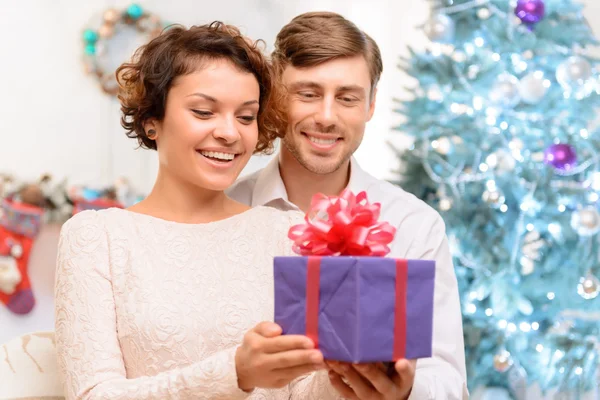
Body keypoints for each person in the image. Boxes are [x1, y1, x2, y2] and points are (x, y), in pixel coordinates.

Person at [54, 22, 340, 399]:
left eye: (245, 116)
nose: (230, 133)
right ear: (151, 121)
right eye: (204, 112)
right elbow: (92, 394)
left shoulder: (288, 233)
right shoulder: (97, 238)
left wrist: (364, 375)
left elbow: (305, 389)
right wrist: (235, 373)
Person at [228, 12, 469, 400]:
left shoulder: (414, 224)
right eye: (307, 93)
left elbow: (447, 380)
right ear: (274, 96)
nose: (326, 116)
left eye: (347, 98)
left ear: (370, 106)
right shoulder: (228, 208)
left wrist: (407, 391)